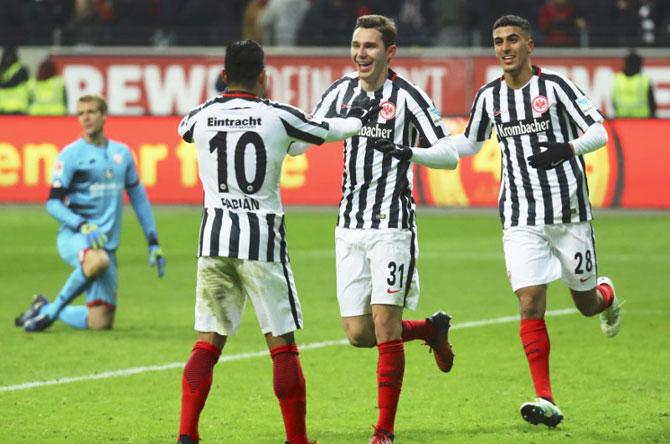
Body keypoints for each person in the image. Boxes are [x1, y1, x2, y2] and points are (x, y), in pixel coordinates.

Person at [175, 39, 379, 444]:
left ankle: (187, 435)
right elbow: (326, 130)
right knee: (282, 345)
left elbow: (183, 131)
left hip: (213, 241)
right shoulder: (277, 116)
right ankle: (297, 440)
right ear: (264, 77)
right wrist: (360, 118)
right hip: (261, 243)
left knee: (208, 342)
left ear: (224, 75)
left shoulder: (200, 116)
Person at [293, 14, 458, 444]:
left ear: (390, 52)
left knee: (385, 324)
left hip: (392, 225)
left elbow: (449, 156)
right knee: (359, 333)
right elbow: (308, 135)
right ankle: (428, 330)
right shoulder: (341, 92)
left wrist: (407, 152)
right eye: (355, 45)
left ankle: (384, 430)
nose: (360, 53)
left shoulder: (409, 96)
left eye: (369, 46)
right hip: (349, 225)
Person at [451, 14, 622, 427]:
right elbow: (471, 143)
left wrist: (566, 149)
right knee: (530, 301)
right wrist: (428, 143)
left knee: (584, 304)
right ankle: (545, 397)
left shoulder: (556, 88)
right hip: (519, 215)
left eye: (512, 39)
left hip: (568, 213)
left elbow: (598, 131)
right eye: (497, 41)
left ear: (530, 45)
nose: (504, 48)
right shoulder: (489, 97)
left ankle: (606, 296)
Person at [15, 94, 165, 333]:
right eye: (81, 113)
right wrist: (82, 224)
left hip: (106, 245)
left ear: (104, 116)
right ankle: (51, 314)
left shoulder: (122, 154)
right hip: (75, 237)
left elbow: (138, 198)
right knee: (97, 260)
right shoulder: (71, 155)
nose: (86, 118)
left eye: (92, 112)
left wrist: (153, 241)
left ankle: (45, 306)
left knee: (100, 322)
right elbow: (53, 204)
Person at [612, 50, 656, 118]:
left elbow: (613, 102)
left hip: (621, 120)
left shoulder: (618, 79)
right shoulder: (644, 80)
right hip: (642, 121)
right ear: (639, 65)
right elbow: (652, 104)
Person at [0, 45, 30, 114]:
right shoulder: (21, 69)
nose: (8, 58)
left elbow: (13, 83)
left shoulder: (20, 69)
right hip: (6, 108)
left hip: (16, 108)